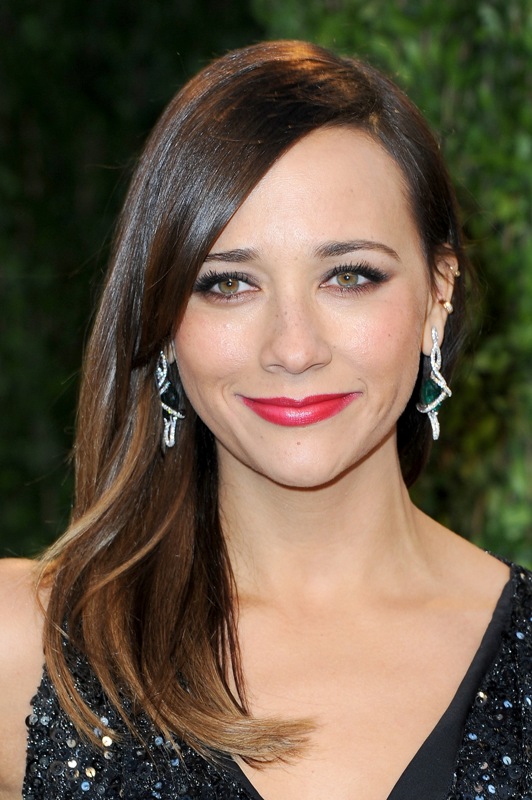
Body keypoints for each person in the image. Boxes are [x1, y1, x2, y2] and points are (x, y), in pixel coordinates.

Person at [0, 40, 530, 800]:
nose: (293, 348)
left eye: (349, 276)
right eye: (228, 284)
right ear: (165, 318)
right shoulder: (25, 648)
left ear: (436, 297)